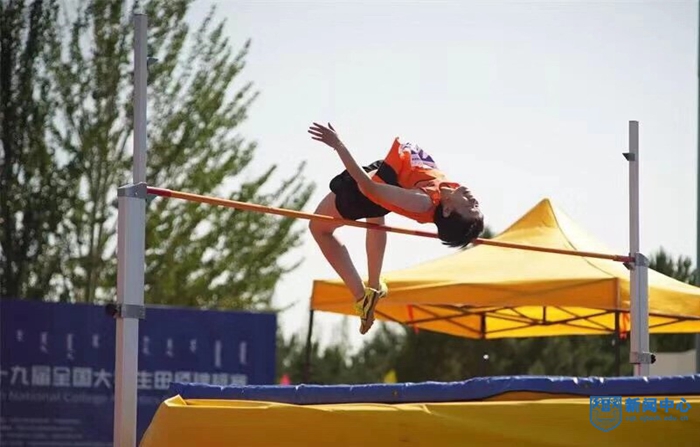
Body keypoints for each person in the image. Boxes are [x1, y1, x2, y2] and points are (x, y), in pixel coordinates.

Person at [307, 122, 484, 334]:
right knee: (376, 219)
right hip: (384, 179)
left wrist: (338, 145)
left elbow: (369, 188)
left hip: (359, 192)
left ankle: (361, 295)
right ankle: (374, 287)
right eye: (477, 206)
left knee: (319, 228)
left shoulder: (423, 201)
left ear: (447, 210)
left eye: (470, 208)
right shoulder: (447, 191)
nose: (474, 202)